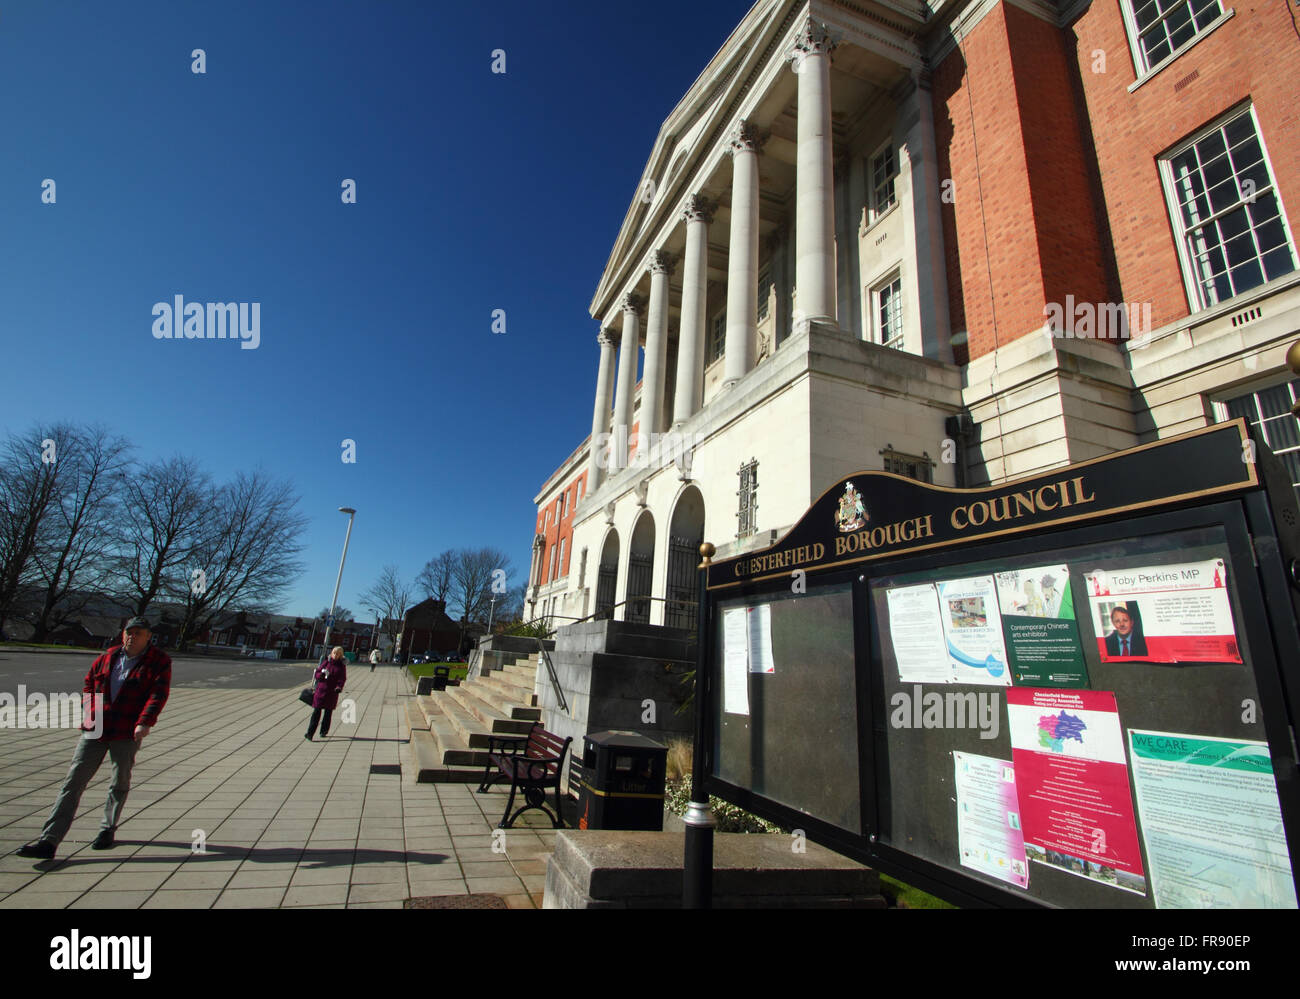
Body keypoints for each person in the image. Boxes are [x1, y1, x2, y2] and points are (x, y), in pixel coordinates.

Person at [18, 617, 171, 859]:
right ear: (123, 635)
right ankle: (49, 841)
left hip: (126, 730)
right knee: (73, 781)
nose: (132, 636)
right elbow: (89, 683)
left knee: (119, 780)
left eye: (138, 633)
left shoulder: (158, 662)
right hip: (96, 727)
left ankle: (107, 828)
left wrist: (145, 722)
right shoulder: (108, 657)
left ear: (148, 637)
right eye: (128, 632)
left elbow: (157, 694)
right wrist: (90, 712)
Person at [306, 646, 347, 740]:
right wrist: (321, 675)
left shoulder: (341, 666)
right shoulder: (326, 662)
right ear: (331, 653)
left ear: (341, 655)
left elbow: (342, 678)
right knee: (316, 712)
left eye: (338, 654)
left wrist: (339, 687)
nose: (335, 655)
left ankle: (323, 731)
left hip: (332, 692)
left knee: (328, 713)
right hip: (321, 690)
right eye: (334, 653)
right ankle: (310, 733)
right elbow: (317, 673)